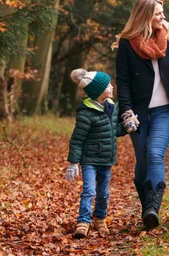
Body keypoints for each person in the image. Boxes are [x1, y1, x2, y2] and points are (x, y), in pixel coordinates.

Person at [115, 0, 169, 230]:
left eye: (163, 12)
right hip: (137, 112)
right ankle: (147, 206)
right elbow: (123, 81)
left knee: (155, 153)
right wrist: (126, 110)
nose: (163, 17)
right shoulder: (127, 44)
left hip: (165, 111)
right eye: (158, 13)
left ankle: (152, 209)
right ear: (145, 15)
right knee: (143, 159)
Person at [65, 68, 122, 239]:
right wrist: (73, 163)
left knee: (103, 193)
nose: (112, 87)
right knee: (89, 190)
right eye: (108, 85)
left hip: (106, 159)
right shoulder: (86, 114)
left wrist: (127, 127)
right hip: (89, 159)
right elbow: (77, 139)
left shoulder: (111, 107)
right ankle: (83, 222)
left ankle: (100, 219)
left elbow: (113, 131)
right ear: (98, 92)